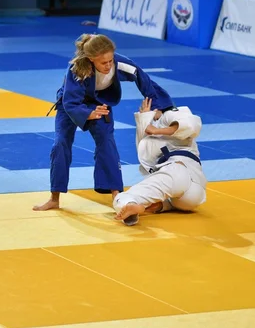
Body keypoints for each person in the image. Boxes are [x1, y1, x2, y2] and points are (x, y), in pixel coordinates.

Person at [33, 34, 176, 211]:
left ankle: (117, 195)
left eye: (110, 60)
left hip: (99, 103)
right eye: (103, 63)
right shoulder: (76, 70)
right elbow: (70, 102)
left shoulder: (119, 63)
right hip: (70, 105)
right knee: (60, 143)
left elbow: (144, 80)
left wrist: (158, 105)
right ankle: (55, 197)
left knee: (107, 141)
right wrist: (87, 113)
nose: (108, 66)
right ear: (92, 60)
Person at [113, 98, 207, 226]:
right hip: (193, 195)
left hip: (176, 172)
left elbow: (191, 125)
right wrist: (145, 119)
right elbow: (146, 155)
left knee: (122, 197)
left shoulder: (172, 114)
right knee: (178, 201)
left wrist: (155, 129)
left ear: (157, 108)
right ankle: (163, 205)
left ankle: (131, 204)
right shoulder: (157, 123)